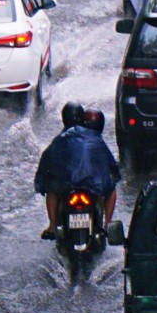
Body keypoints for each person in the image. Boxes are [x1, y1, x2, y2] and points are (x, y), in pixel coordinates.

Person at [34, 101, 121, 238]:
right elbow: (112, 168)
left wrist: (43, 182)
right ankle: (107, 225)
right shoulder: (96, 138)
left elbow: (45, 165)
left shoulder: (60, 139)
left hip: (66, 184)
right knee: (111, 189)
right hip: (93, 184)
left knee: (52, 189)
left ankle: (52, 226)